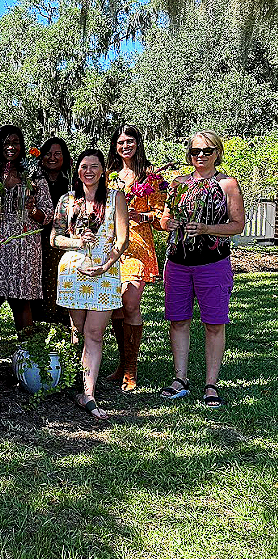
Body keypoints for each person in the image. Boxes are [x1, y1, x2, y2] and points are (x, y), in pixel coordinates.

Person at [159, 131, 245, 408]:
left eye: (207, 150)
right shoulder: (178, 184)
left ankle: (211, 384)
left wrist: (207, 228)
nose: (200, 155)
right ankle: (180, 379)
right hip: (178, 263)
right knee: (178, 320)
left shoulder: (227, 184)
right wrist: (167, 223)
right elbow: (165, 219)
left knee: (214, 324)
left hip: (213, 263)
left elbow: (237, 225)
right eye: (195, 151)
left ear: (217, 152)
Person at [52, 149, 129, 420]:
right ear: (77, 170)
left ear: (103, 170)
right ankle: (78, 383)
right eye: (83, 166)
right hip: (73, 271)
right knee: (78, 330)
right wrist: (77, 242)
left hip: (104, 272)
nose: (88, 171)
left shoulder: (115, 198)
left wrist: (106, 265)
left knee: (94, 333)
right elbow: (55, 238)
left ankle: (90, 393)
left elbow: (122, 239)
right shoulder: (67, 200)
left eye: (94, 166)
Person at [0, 125, 52, 382]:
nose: (11, 146)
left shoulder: (33, 176)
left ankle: (30, 362)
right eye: (5, 141)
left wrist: (32, 210)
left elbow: (47, 214)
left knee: (21, 301)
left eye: (16, 141)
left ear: (22, 145)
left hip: (23, 243)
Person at [106, 124, 166, 391]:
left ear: (138, 143)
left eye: (130, 141)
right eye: (120, 142)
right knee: (116, 306)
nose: (125, 146)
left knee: (130, 302)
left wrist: (140, 215)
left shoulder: (151, 176)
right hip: (110, 245)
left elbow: (161, 216)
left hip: (138, 244)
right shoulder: (109, 176)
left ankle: (132, 367)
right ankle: (122, 363)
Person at [32, 136, 73, 326]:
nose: (52, 158)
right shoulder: (32, 181)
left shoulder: (73, 182)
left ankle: (63, 324)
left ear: (65, 157)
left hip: (65, 240)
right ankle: (40, 325)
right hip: (37, 239)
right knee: (40, 283)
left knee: (61, 281)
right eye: (48, 153)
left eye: (57, 154)